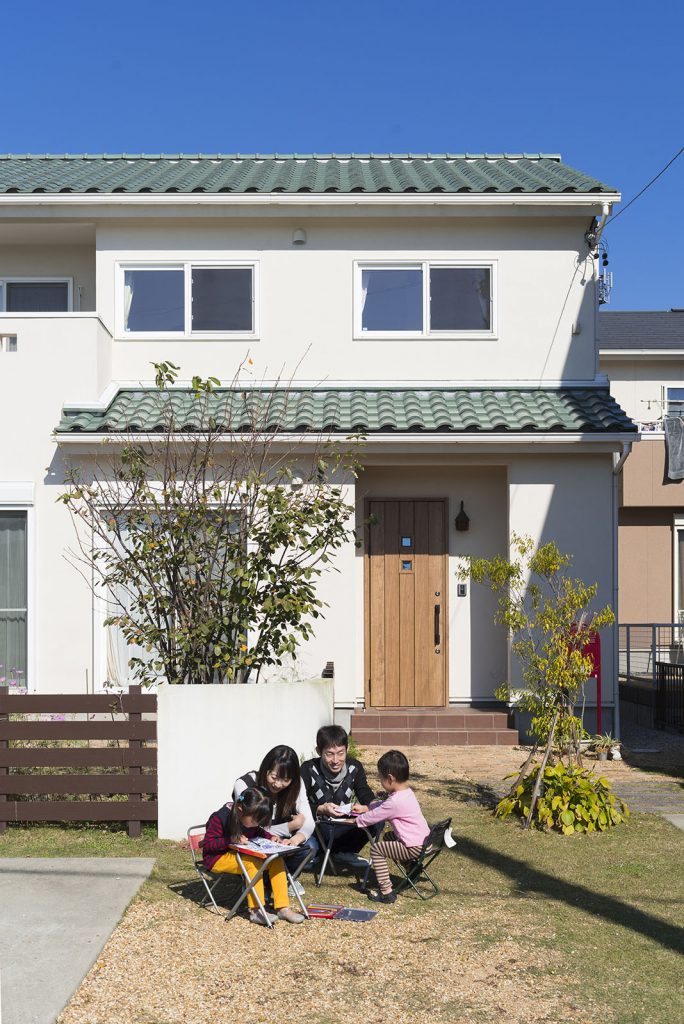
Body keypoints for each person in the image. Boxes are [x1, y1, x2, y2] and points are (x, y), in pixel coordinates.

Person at [202, 786, 305, 926]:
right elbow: (207, 844)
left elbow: (257, 831)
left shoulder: (248, 817)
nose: (257, 824)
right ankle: (256, 910)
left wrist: (271, 837)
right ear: (240, 810)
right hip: (217, 858)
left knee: (276, 859)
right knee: (252, 864)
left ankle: (282, 907)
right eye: (256, 820)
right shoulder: (219, 818)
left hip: (239, 854)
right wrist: (231, 840)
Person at [353, 749, 430, 904]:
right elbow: (385, 805)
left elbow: (374, 817)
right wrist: (366, 807)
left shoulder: (395, 802)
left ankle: (386, 892)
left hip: (413, 847)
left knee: (377, 849)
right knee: (389, 837)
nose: (380, 781)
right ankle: (411, 869)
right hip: (425, 842)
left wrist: (355, 821)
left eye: (380, 778)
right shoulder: (406, 793)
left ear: (390, 778)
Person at [233, 745, 315, 888]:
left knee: (310, 845)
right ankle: (258, 882)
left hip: (276, 841)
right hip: (249, 841)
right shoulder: (245, 784)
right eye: (274, 777)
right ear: (266, 769)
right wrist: (290, 827)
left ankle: (282, 880)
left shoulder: (297, 784)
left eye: (285, 780)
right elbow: (250, 828)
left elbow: (309, 822)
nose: (278, 784)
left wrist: (295, 840)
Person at [301, 724, 377, 875]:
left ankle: (344, 852)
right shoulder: (308, 769)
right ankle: (320, 851)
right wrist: (321, 809)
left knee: (377, 818)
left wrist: (372, 805)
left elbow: (364, 792)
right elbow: (297, 804)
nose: (336, 760)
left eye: (340, 753)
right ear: (319, 751)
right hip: (318, 826)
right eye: (329, 754)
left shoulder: (354, 767)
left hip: (344, 824)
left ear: (347, 749)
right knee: (309, 849)